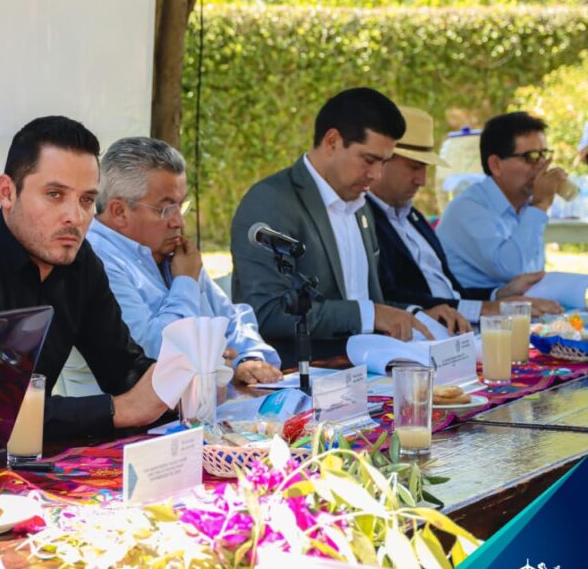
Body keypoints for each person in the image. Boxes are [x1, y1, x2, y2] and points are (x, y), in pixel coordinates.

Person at [0, 116, 168, 439]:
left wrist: (180, 381)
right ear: (7, 192)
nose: (75, 216)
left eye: (86, 200)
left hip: (29, 459)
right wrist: (117, 410)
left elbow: (123, 368)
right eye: (55, 194)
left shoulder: (80, 262)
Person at [230, 87, 457, 365]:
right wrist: (372, 315)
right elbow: (267, 312)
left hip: (368, 367)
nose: (376, 175)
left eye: (384, 162)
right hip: (303, 375)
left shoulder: (360, 206)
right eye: (369, 160)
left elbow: (365, 300)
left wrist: (415, 314)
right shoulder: (271, 201)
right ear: (332, 141)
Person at [86, 136, 281, 386]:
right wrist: (186, 282)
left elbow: (232, 320)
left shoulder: (173, 252)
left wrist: (248, 359)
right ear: (119, 211)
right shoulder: (97, 261)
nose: (179, 222)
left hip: (211, 402)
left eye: (181, 206)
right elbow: (153, 352)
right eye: (166, 209)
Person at [367, 106, 561, 321]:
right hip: (427, 334)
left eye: (545, 156)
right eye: (415, 167)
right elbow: (392, 300)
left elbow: (451, 294)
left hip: (456, 329)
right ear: (381, 161)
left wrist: (498, 295)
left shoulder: (412, 218)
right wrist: (488, 308)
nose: (422, 180)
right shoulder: (365, 221)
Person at [436, 112, 568, 287]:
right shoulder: (469, 208)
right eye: (531, 157)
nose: (542, 166)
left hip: (515, 304)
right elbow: (510, 269)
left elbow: (532, 277)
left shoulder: (524, 208)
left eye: (544, 155)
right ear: (496, 165)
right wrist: (540, 205)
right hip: (474, 304)